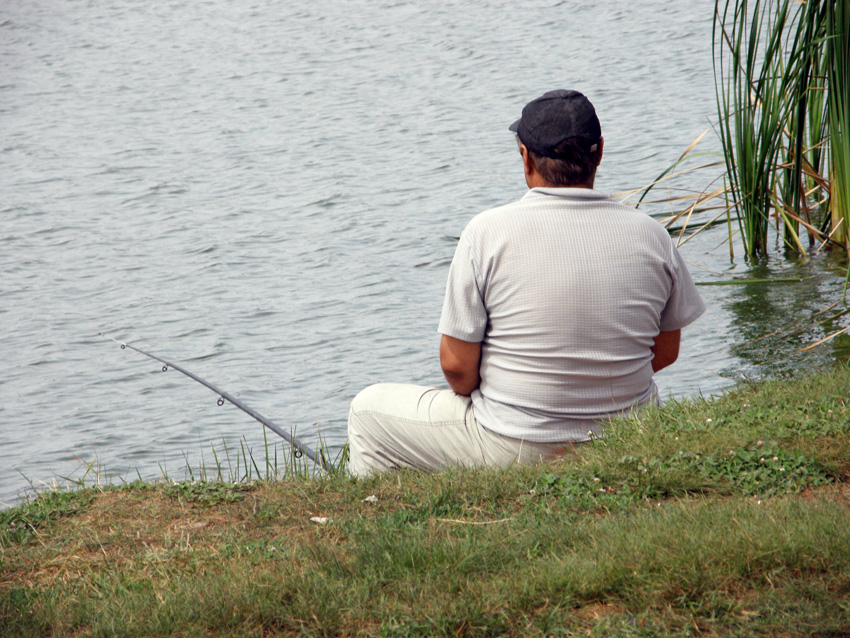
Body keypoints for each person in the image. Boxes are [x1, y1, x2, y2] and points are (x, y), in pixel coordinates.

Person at [347, 89, 705, 477]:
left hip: (513, 445)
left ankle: (377, 509)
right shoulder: (652, 235)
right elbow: (666, 352)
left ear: (525, 158)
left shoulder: (486, 233)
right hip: (628, 437)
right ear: (599, 152)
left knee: (367, 411)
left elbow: (455, 368)